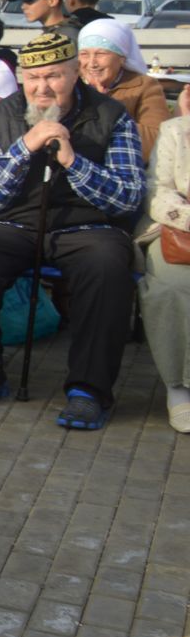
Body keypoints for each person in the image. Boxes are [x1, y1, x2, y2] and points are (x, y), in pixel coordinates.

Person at [0, 32, 144, 428]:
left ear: (75, 73)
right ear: (21, 78)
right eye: (33, 78)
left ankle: (89, 391)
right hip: (15, 222)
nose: (43, 87)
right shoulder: (1, 116)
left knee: (107, 267)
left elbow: (128, 197)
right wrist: (25, 147)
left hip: (88, 225)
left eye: (54, 76)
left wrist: (74, 162)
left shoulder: (112, 116)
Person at [138, 112, 190, 432]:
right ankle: (179, 386)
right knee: (171, 286)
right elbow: (157, 190)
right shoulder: (176, 130)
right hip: (179, 229)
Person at [77, 20, 169, 158]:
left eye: (101, 54)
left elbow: (154, 141)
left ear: (122, 58)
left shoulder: (145, 86)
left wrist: (106, 107)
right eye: (84, 54)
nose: (92, 63)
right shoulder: (71, 83)